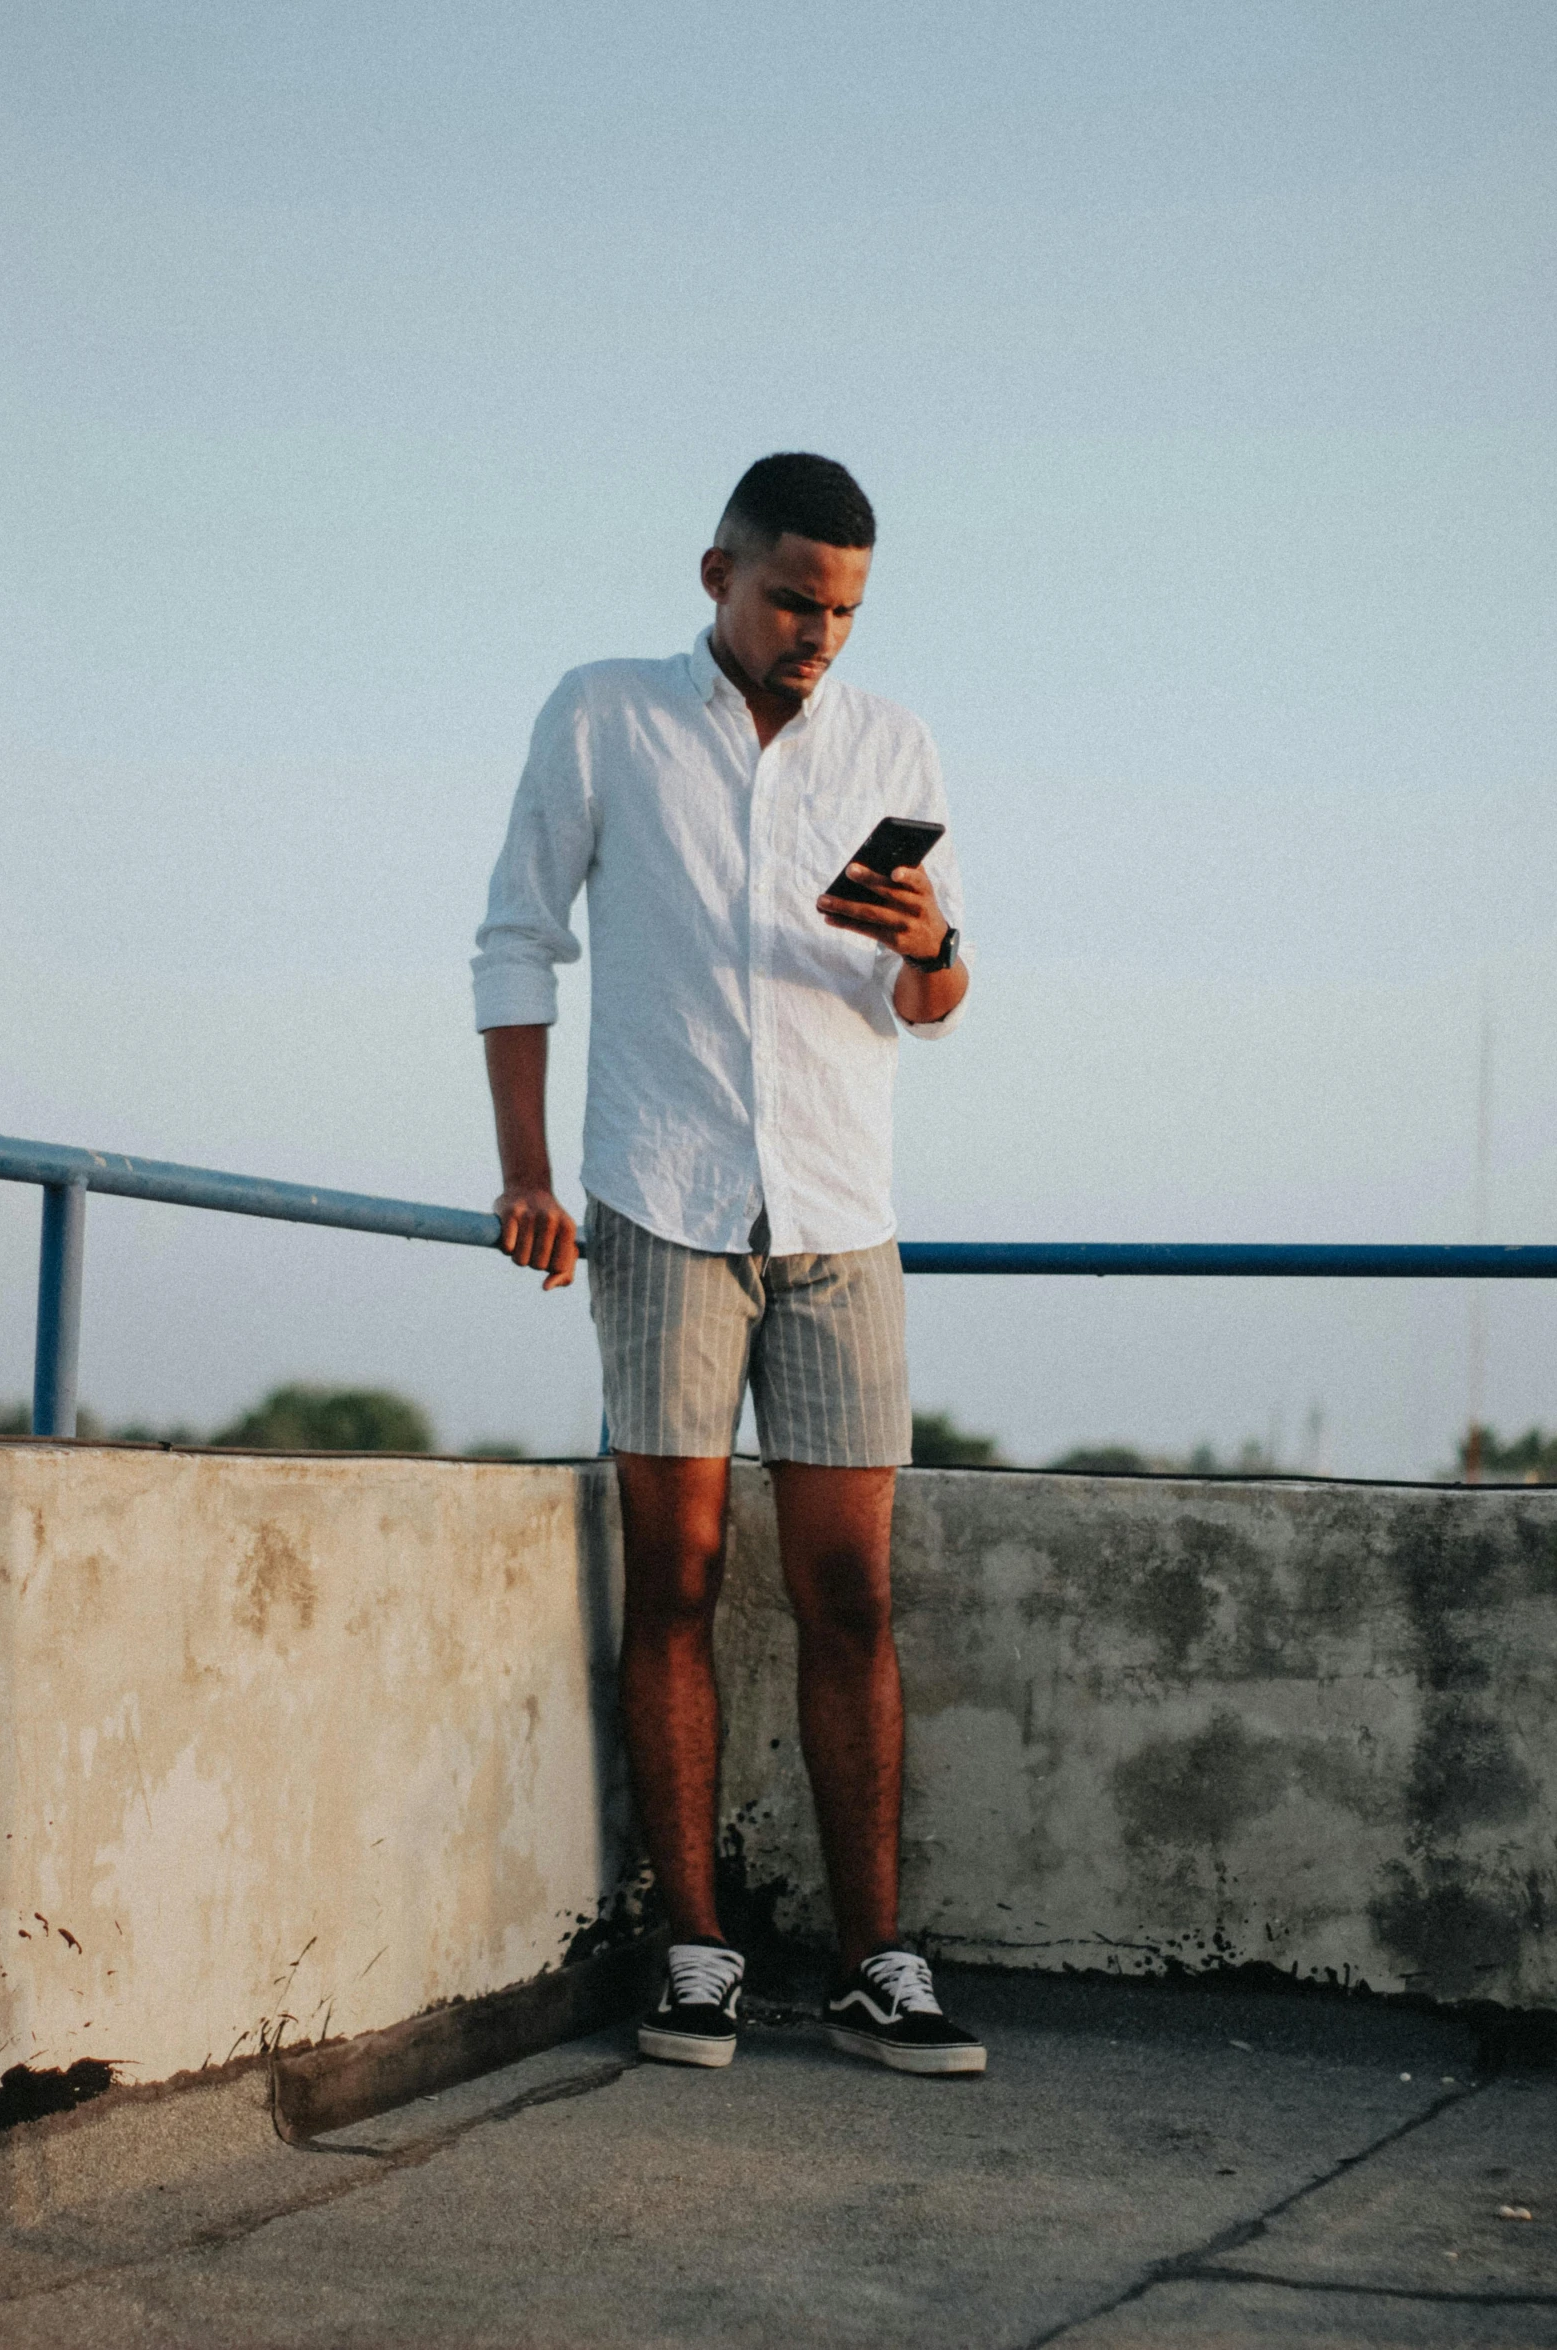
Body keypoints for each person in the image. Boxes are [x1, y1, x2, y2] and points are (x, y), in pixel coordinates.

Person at [473, 452, 985, 2078]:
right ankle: (692, 1951)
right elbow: (513, 936)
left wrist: (930, 949)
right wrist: (529, 1171)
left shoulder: (890, 743)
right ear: (717, 573)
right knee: (677, 1578)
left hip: (841, 1217)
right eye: (790, 599)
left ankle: (871, 1960)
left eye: (841, 608)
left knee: (852, 1594)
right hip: (664, 1206)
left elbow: (935, 1001)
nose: (815, 633)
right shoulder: (602, 713)